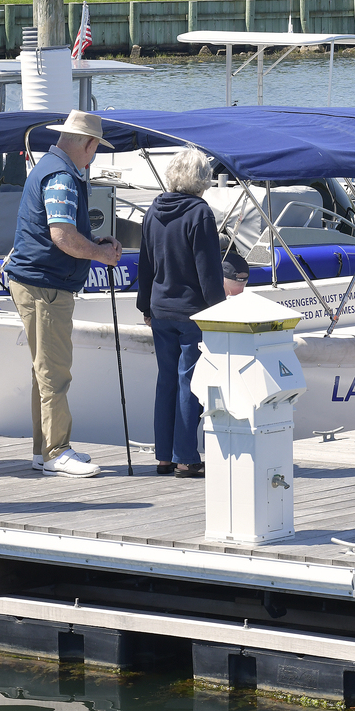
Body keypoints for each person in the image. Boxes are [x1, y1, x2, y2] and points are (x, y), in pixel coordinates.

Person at [4, 110, 123, 478]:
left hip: (37, 280)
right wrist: (101, 253)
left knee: (44, 369)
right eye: (95, 150)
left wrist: (92, 242)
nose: (94, 157)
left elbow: (64, 233)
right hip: (45, 285)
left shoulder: (51, 168)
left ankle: (44, 450)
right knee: (55, 371)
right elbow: (62, 237)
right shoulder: (62, 176)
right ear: (87, 143)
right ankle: (57, 451)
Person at [136, 147, 225, 476]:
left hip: (160, 309)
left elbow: (146, 264)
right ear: (202, 179)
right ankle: (187, 457)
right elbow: (209, 273)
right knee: (190, 382)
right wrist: (220, 313)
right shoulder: (199, 213)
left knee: (167, 382)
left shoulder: (153, 209)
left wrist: (144, 305)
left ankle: (164, 456)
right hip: (192, 314)